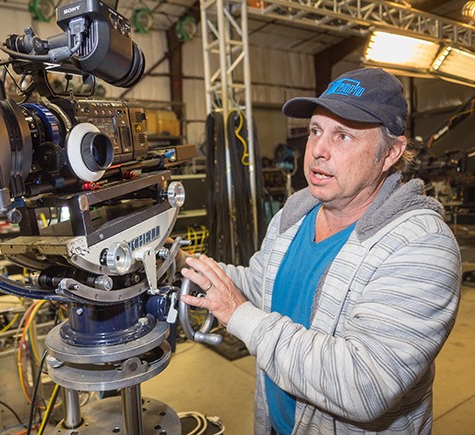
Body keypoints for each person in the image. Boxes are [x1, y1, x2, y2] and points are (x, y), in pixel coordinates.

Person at [179, 67, 461, 434]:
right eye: (315, 131)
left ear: (391, 152)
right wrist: (182, 265)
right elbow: (258, 285)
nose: (318, 151)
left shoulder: (422, 245)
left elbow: (365, 385)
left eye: (343, 136)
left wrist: (241, 317)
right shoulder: (295, 214)